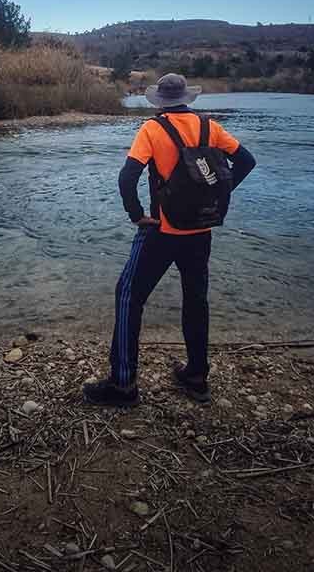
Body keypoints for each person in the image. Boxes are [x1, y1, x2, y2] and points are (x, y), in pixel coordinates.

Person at [83, 73, 256, 407]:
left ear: (159, 100)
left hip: (162, 231)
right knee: (196, 301)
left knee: (128, 296)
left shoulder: (152, 128)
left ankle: (122, 386)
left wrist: (137, 216)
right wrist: (221, 194)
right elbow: (246, 161)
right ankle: (196, 378)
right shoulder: (210, 127)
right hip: (200, 232)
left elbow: (127, 177)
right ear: (186, 98)